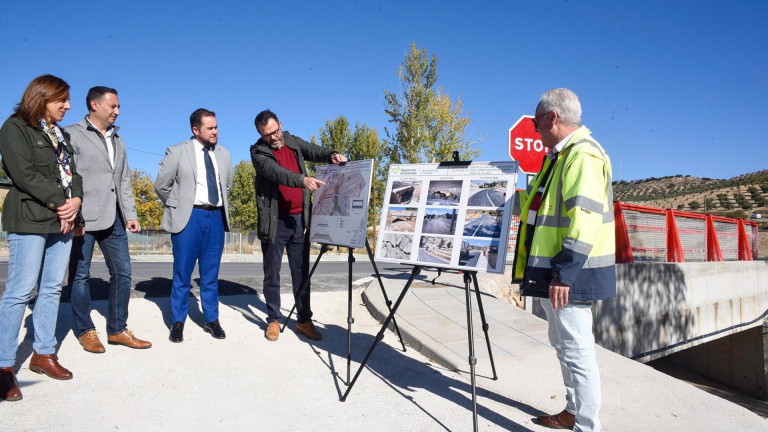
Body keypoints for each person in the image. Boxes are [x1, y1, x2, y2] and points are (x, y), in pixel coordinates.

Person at [513, 88, 616, 431]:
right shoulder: (558, 157)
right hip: (558, 272)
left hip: (571, 273)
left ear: (553, 118)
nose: (534, 129)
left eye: (536, 121)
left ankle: (587, 426)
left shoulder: (583, 155)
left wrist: (564, 274)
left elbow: (584, 218)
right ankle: (572, 410)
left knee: (577, 351)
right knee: (563, 345)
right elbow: (531, 203)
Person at [0, 75, 84, 401]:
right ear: (42, 98)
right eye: (62, 100)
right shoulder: (15, 128)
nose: (68, 105)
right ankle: (5, 366)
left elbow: (73, 173)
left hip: (61, 221)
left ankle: (43, 354)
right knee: (19, 292)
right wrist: (62, 203)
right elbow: (23, 174)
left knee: (51, 289)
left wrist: (75, 200)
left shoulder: (58, 134)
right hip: (30, 219)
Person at [64, 86, 151, 353]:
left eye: (118, 106)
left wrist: (130, 214)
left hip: (113, 218)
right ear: (94, 105)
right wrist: (72, 215)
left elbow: (123, 179)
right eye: (112, 106)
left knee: (123, 272)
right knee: (80, 277)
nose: (117, 111)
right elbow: (66, 177)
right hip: (83, 218)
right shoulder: (71, 134)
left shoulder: (118, 139)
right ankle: (85, 330)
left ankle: (117, 329)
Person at [250, 110, 347, 342]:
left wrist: (331, 155)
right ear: (260, 135)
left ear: (280, 125)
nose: (273, 138)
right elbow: (277, 173)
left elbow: (314, 150)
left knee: (302, 273)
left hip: (299, 221)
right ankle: (273, 319)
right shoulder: (258, 152)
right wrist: (302, 180)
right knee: (272, 273)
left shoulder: (292, 141)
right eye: (267, 135)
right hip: (275, 221)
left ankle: (304, 320)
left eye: (275, 132)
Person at [155, 108, 233, 343]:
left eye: (216, 127)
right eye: (210, 128)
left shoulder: (224, 154)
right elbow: (161, 185)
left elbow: (226, 186)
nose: (215, 132)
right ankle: (178, 321)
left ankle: (212, 320)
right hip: (189, 219)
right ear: (195, 129)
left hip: (215, 218)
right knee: (182, 275)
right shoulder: (177, 151)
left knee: (211, 274)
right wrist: (178, 206)